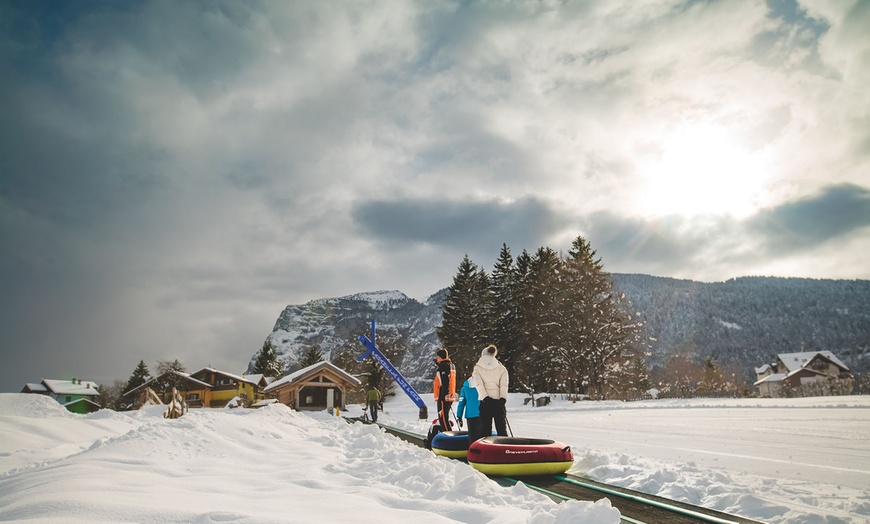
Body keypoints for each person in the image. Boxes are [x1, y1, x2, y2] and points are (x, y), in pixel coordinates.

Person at [473, 344, 509, 437]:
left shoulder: (477, 368)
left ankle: (486, 450)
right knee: (501, 430)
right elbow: (504, 385)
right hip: (498, 402)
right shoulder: (502, 368)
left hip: (485, 402)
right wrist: (503, 398)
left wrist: (485, 397)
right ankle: (504, 448)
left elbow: (478, 384)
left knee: (485, 430)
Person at [433, 348, 456, 431]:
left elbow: (445, 380)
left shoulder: (443, 366)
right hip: (450, 394)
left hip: (443, 396)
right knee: (444, 417)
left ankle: (448, 435)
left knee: (443, 418)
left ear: (439, 356)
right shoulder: (450, 365)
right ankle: (447, 433)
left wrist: (445, 393)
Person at [456, 373, 482, 443]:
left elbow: (461, 402)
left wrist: (459, 416)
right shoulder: (481, 386)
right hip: (482, 414)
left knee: (472, 436)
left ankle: (472, 450)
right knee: (481, 436)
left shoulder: (465, 387)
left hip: (470, 415)